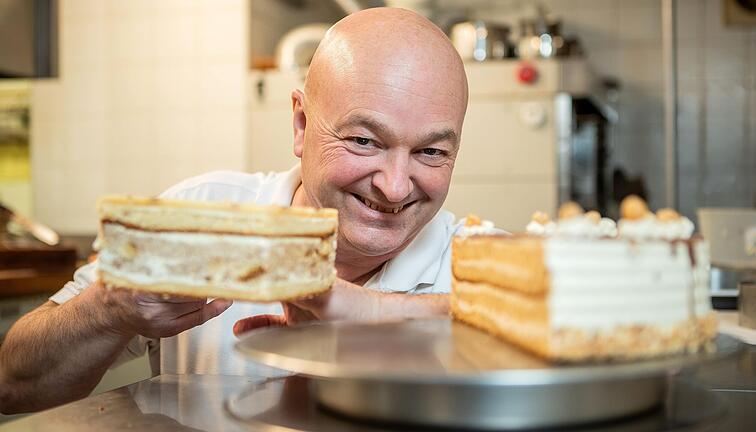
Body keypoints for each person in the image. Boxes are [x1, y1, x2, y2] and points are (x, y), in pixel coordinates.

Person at [0, 7, 469, 414]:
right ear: (302, 125)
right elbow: (12, 386)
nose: (394, 186)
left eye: (431, 152)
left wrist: (374, 312)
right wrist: (107, 311)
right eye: (364, 141)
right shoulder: (198, 211)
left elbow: (539, 347)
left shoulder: (480, 264)